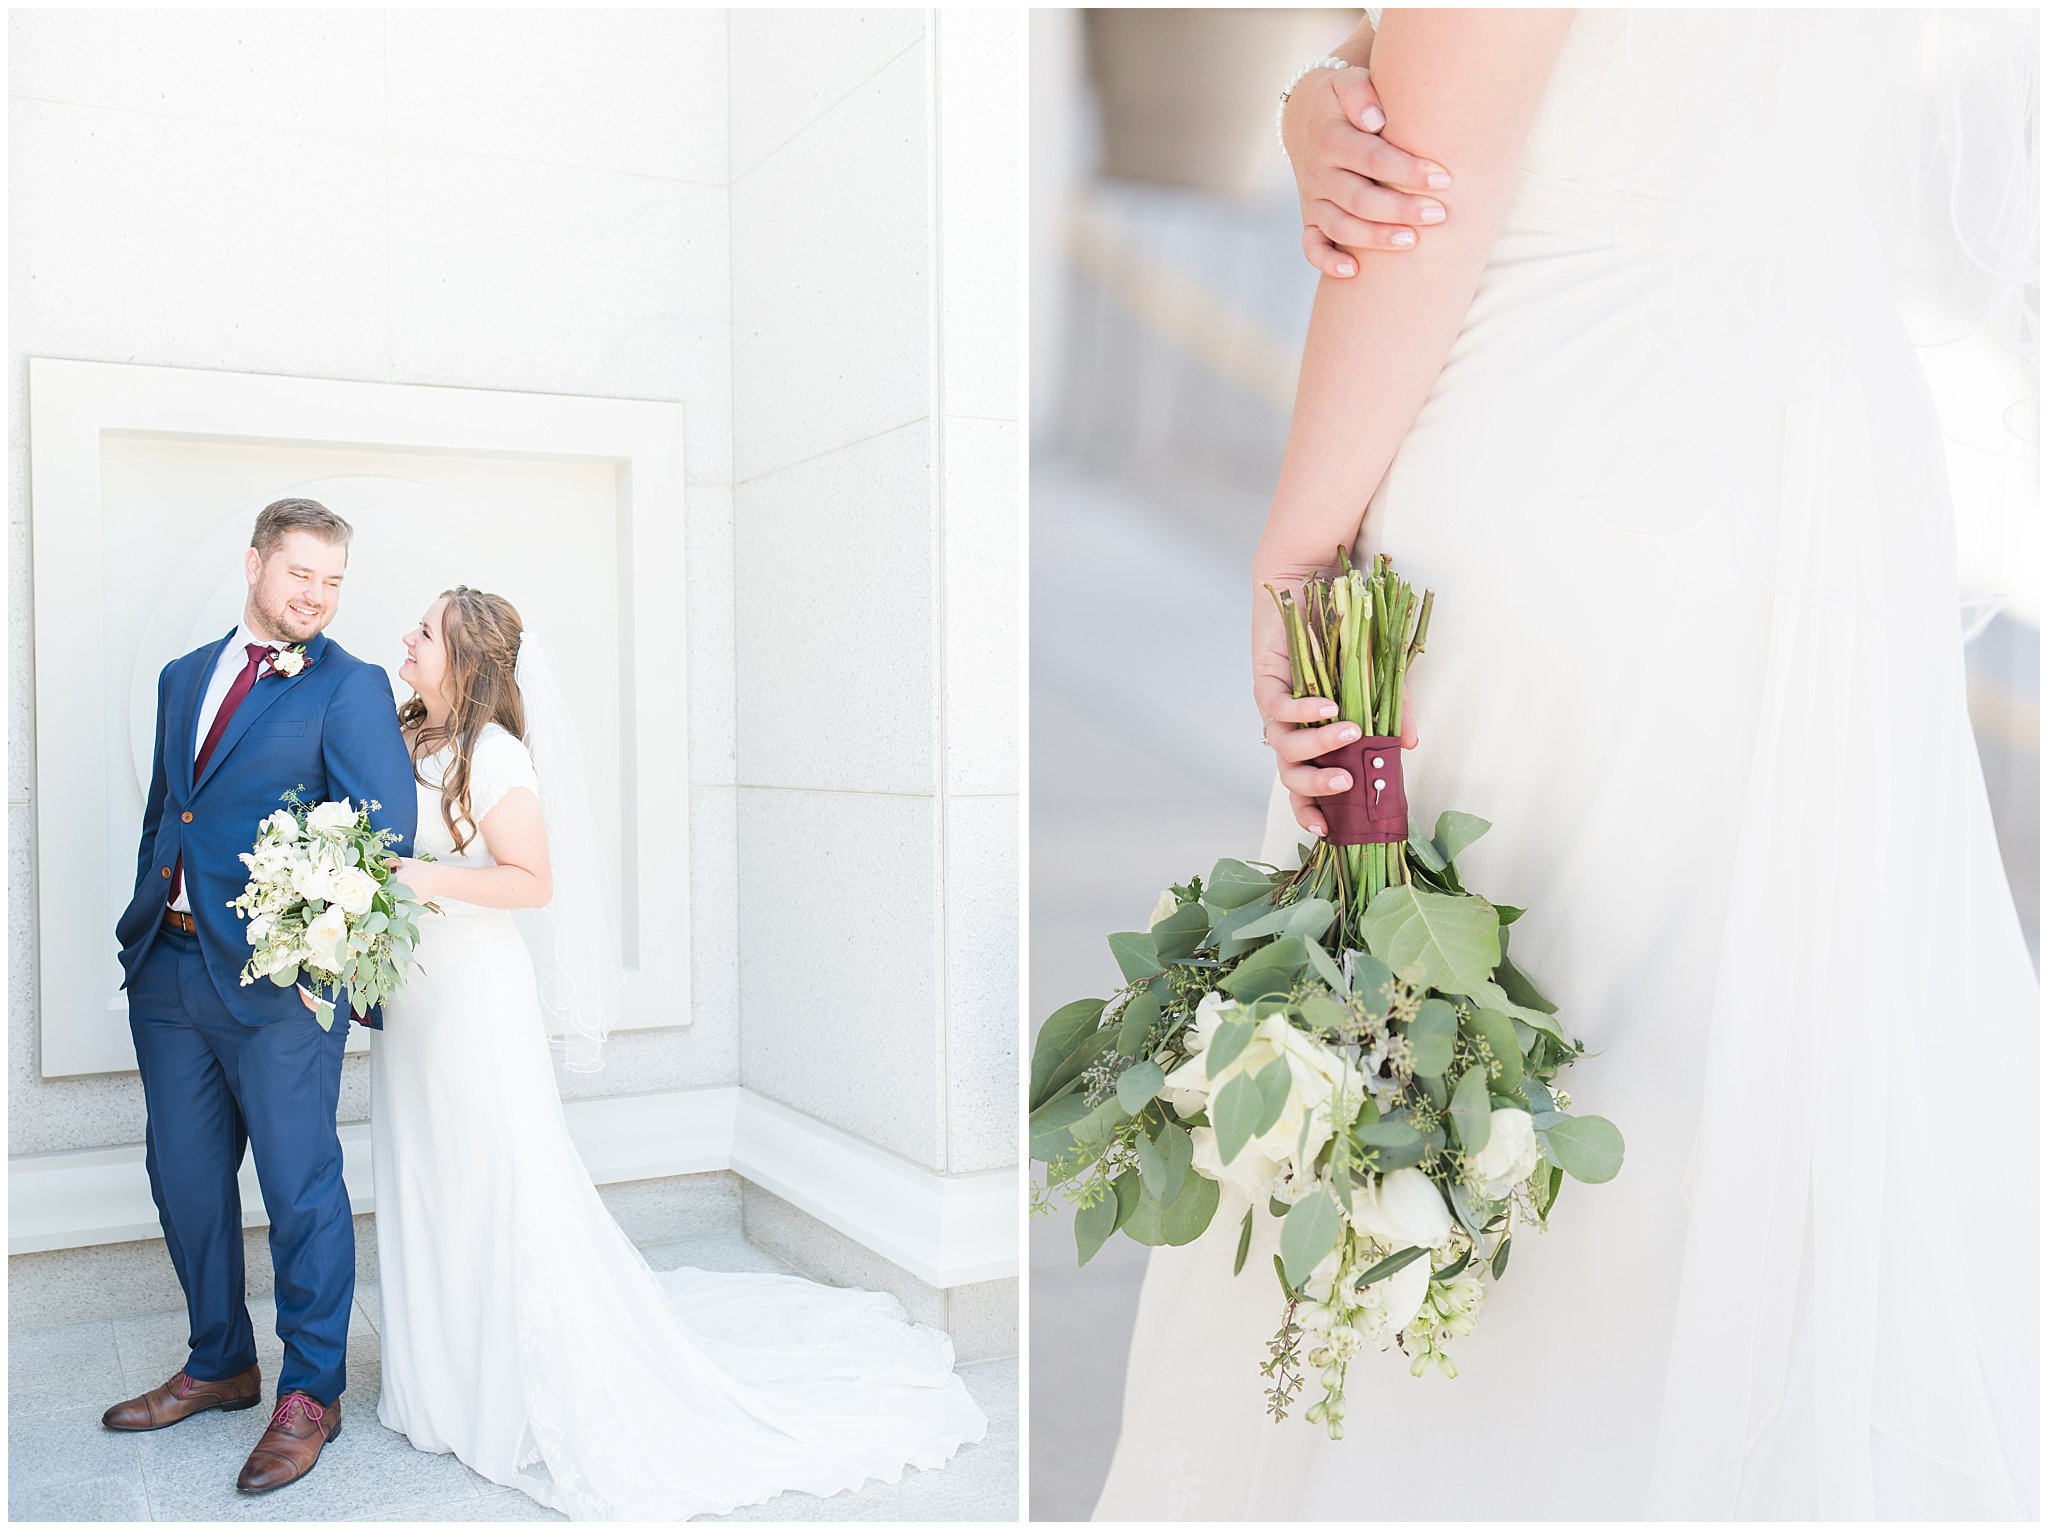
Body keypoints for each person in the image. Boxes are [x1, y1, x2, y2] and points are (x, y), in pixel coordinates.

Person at [1094, 9, 2037, 1519]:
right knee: (1732, 1096)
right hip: (1816, 456)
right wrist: (1325, 84)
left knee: (1468, 1065)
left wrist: (1299, 546)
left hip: (1574, 442)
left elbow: (1435, 170)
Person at [367, 586, 987, 1520]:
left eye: (427, 631)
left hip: (470, 1003)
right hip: (413, 1003)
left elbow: (532, 882)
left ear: (466, 661)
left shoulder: (494, 757)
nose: (407, 636)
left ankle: (497, 1388)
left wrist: (416, 878)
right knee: (425, 1176)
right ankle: (439, 1381)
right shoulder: (411, 735)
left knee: (490, 1179)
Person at [102, 499, 416, 1495]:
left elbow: (382, 839)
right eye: (301, 576)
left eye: (332, 582)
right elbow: (172, 809)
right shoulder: (181, 677)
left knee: (298, 1186)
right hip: (170, 968)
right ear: (255, 566)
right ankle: (220, 1363)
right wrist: (149, 916)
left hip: (281, 985)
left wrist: (307, 947)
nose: (316, 597)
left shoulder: (352, 687)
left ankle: (307, 1393)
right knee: (184, 1178)